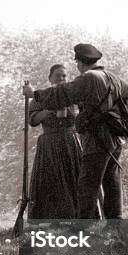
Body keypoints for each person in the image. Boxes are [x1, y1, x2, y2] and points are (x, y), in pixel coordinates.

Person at [23, 44, 128, 219]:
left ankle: (86, 231)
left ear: (80, 63)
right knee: (112, 183)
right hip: (115, 140)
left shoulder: (88, 78)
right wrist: (109, 113)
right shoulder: (112, 77)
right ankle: (115, 227)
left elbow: (62, 94)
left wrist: (34, 94)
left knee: (87, 188)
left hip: (96, 140)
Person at [27, 63, 82, 219]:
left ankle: (76, 215)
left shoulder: (72, 96)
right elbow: (33, 120)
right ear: (50, 78)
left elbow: (80, 118)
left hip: (69, 142)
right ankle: (51, 217)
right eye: (57, 75)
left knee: (74, 178)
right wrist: (49, 110)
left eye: (64, 76)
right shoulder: (41, 96)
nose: (61, 79)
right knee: (50, 180)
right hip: (49, 144)